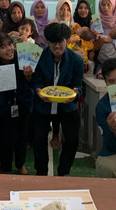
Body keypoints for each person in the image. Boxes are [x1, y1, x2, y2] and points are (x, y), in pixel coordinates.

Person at [32, 23, 83, 176]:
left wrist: (75, 93)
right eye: (52, 42)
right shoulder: (39, 56)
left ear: (67, 41)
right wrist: (38, 91)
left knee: (72, 138)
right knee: (39, 138)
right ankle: (41, 172)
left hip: (67, 105)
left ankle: (64, 171)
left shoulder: (77, 60)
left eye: (60, 41)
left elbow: (78, 85)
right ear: (47, 42)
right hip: (44, 104)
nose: (57, 46)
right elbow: (37, 81)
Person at [0, 33, 33, 174]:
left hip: (22, 105)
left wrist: (28, 76)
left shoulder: (23, 61)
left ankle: (21, 164)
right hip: (4, 107)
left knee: (22, 136)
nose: (9, 49)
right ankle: (5, 166)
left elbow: (32, 83)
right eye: (3, 47)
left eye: (10, 45)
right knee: (6, 138)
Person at [93, 0, 116, 73]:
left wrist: (109, 40)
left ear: (113, 6)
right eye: (103, 5)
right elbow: (92, 44)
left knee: (114, 81)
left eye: (109, 5)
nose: (105, 7)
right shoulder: (95, 21)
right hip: (100, 62)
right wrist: (95, 37)